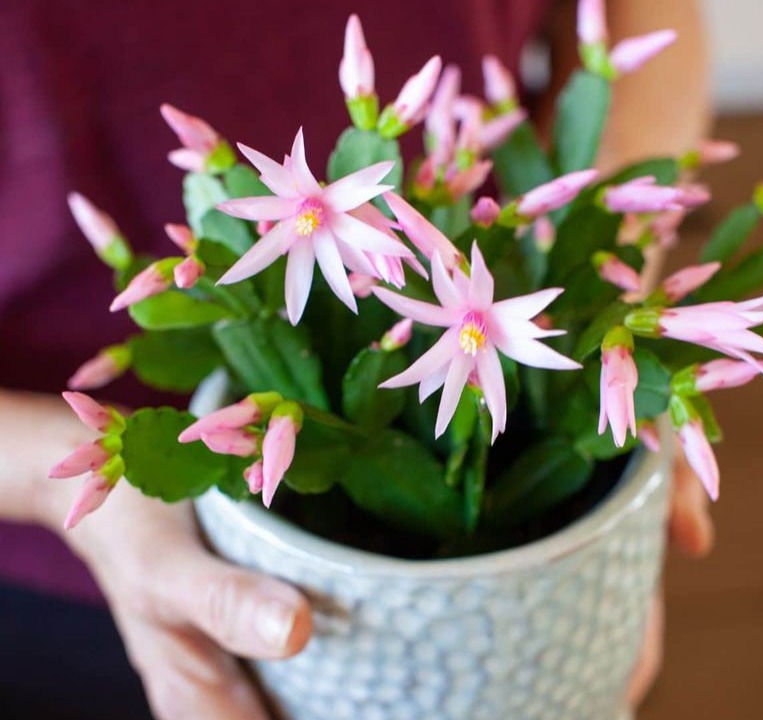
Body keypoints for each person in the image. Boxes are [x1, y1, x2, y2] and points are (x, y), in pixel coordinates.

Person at [0, 1, 712, 718]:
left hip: (491, 271)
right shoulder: (303, 248)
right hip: (71, 579)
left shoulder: (427, 290)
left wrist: (604, 287)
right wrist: (46, 473)